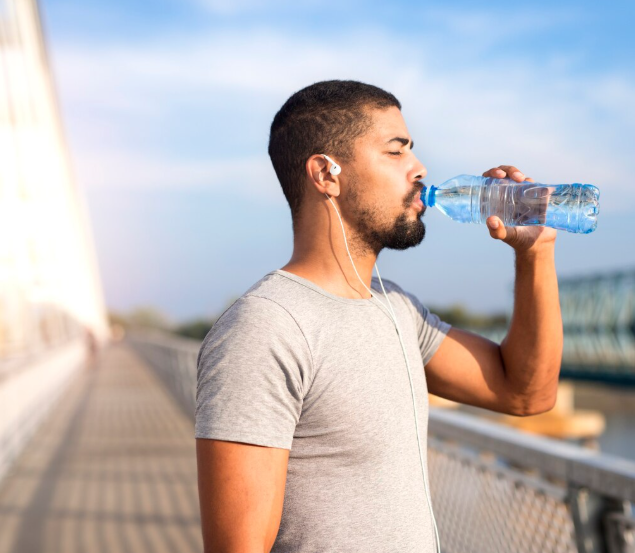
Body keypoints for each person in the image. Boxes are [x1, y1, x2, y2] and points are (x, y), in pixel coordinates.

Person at [194, 80, 563, 553]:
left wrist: (537, 253)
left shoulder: (398, 309)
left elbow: (526, 392)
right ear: (326, 174)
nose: (420, 168)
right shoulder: (265, 330)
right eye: (396, 151)